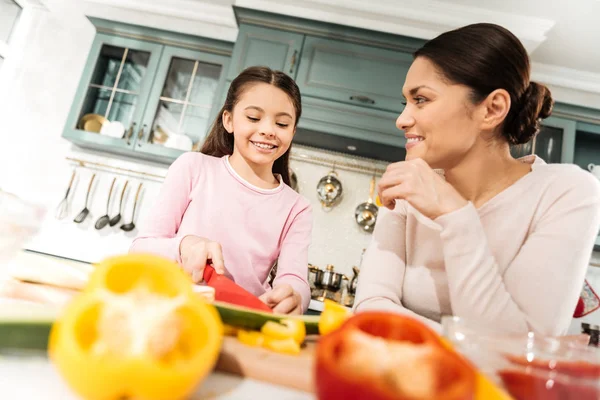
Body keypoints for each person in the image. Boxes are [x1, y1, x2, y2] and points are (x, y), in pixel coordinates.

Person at [353, 23, 600, 336]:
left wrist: (455, 215)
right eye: (406, 102)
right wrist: (469, 344)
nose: (401, 119)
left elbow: (520, 348)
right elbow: (370, 307)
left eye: (422, 100)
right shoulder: (410, 187)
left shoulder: (567, 192)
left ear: (492, 109)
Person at [130, 66, 312, 314]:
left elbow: (294, 278)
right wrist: (183, 245)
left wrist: (295, 295)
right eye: (253, 118)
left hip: (241, 321)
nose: (269, 130)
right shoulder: (193, 167)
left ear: (292, 132)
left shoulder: (297, 208)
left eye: (281, 123)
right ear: (229, 120)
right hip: (172, 311)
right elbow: (140, 249)